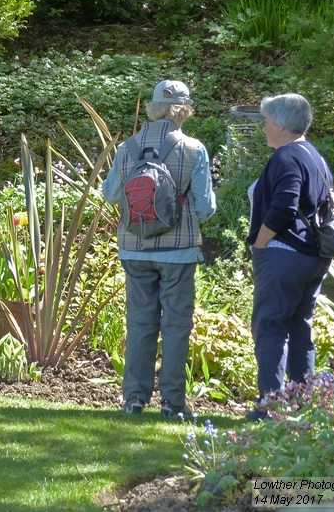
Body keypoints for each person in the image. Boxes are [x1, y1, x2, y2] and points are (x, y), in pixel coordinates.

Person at [102, 80, 216, 418]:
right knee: (176, 325)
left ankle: (134, 400)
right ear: (183, 109)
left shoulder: (127, 147)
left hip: (134, 248)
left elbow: (109, 194)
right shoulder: (194, 148)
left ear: (153, 108)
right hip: (178, 251)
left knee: (139, 322)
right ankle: (172, 403)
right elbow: (207, 207)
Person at [246, 93, 331, 421]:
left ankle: (271, 407)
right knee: (299, 328)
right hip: (313, 257)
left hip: (284, 254)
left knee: (269, 326)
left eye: (266, 120)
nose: (264, 126)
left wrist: (261, 244)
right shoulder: (314, 156)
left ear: (281, 124)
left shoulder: (286, 157)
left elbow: (284, 205)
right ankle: (301, 405)